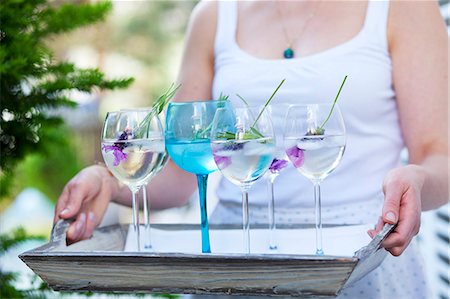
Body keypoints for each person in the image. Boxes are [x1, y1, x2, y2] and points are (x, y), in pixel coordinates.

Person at [54, 1, 448, 298]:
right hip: (236, 264)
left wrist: (414, 180)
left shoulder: (403, 7)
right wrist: (109, 178)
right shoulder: (213, 15)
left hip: (361, 259)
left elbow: (441, 158)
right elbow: (183, 173)